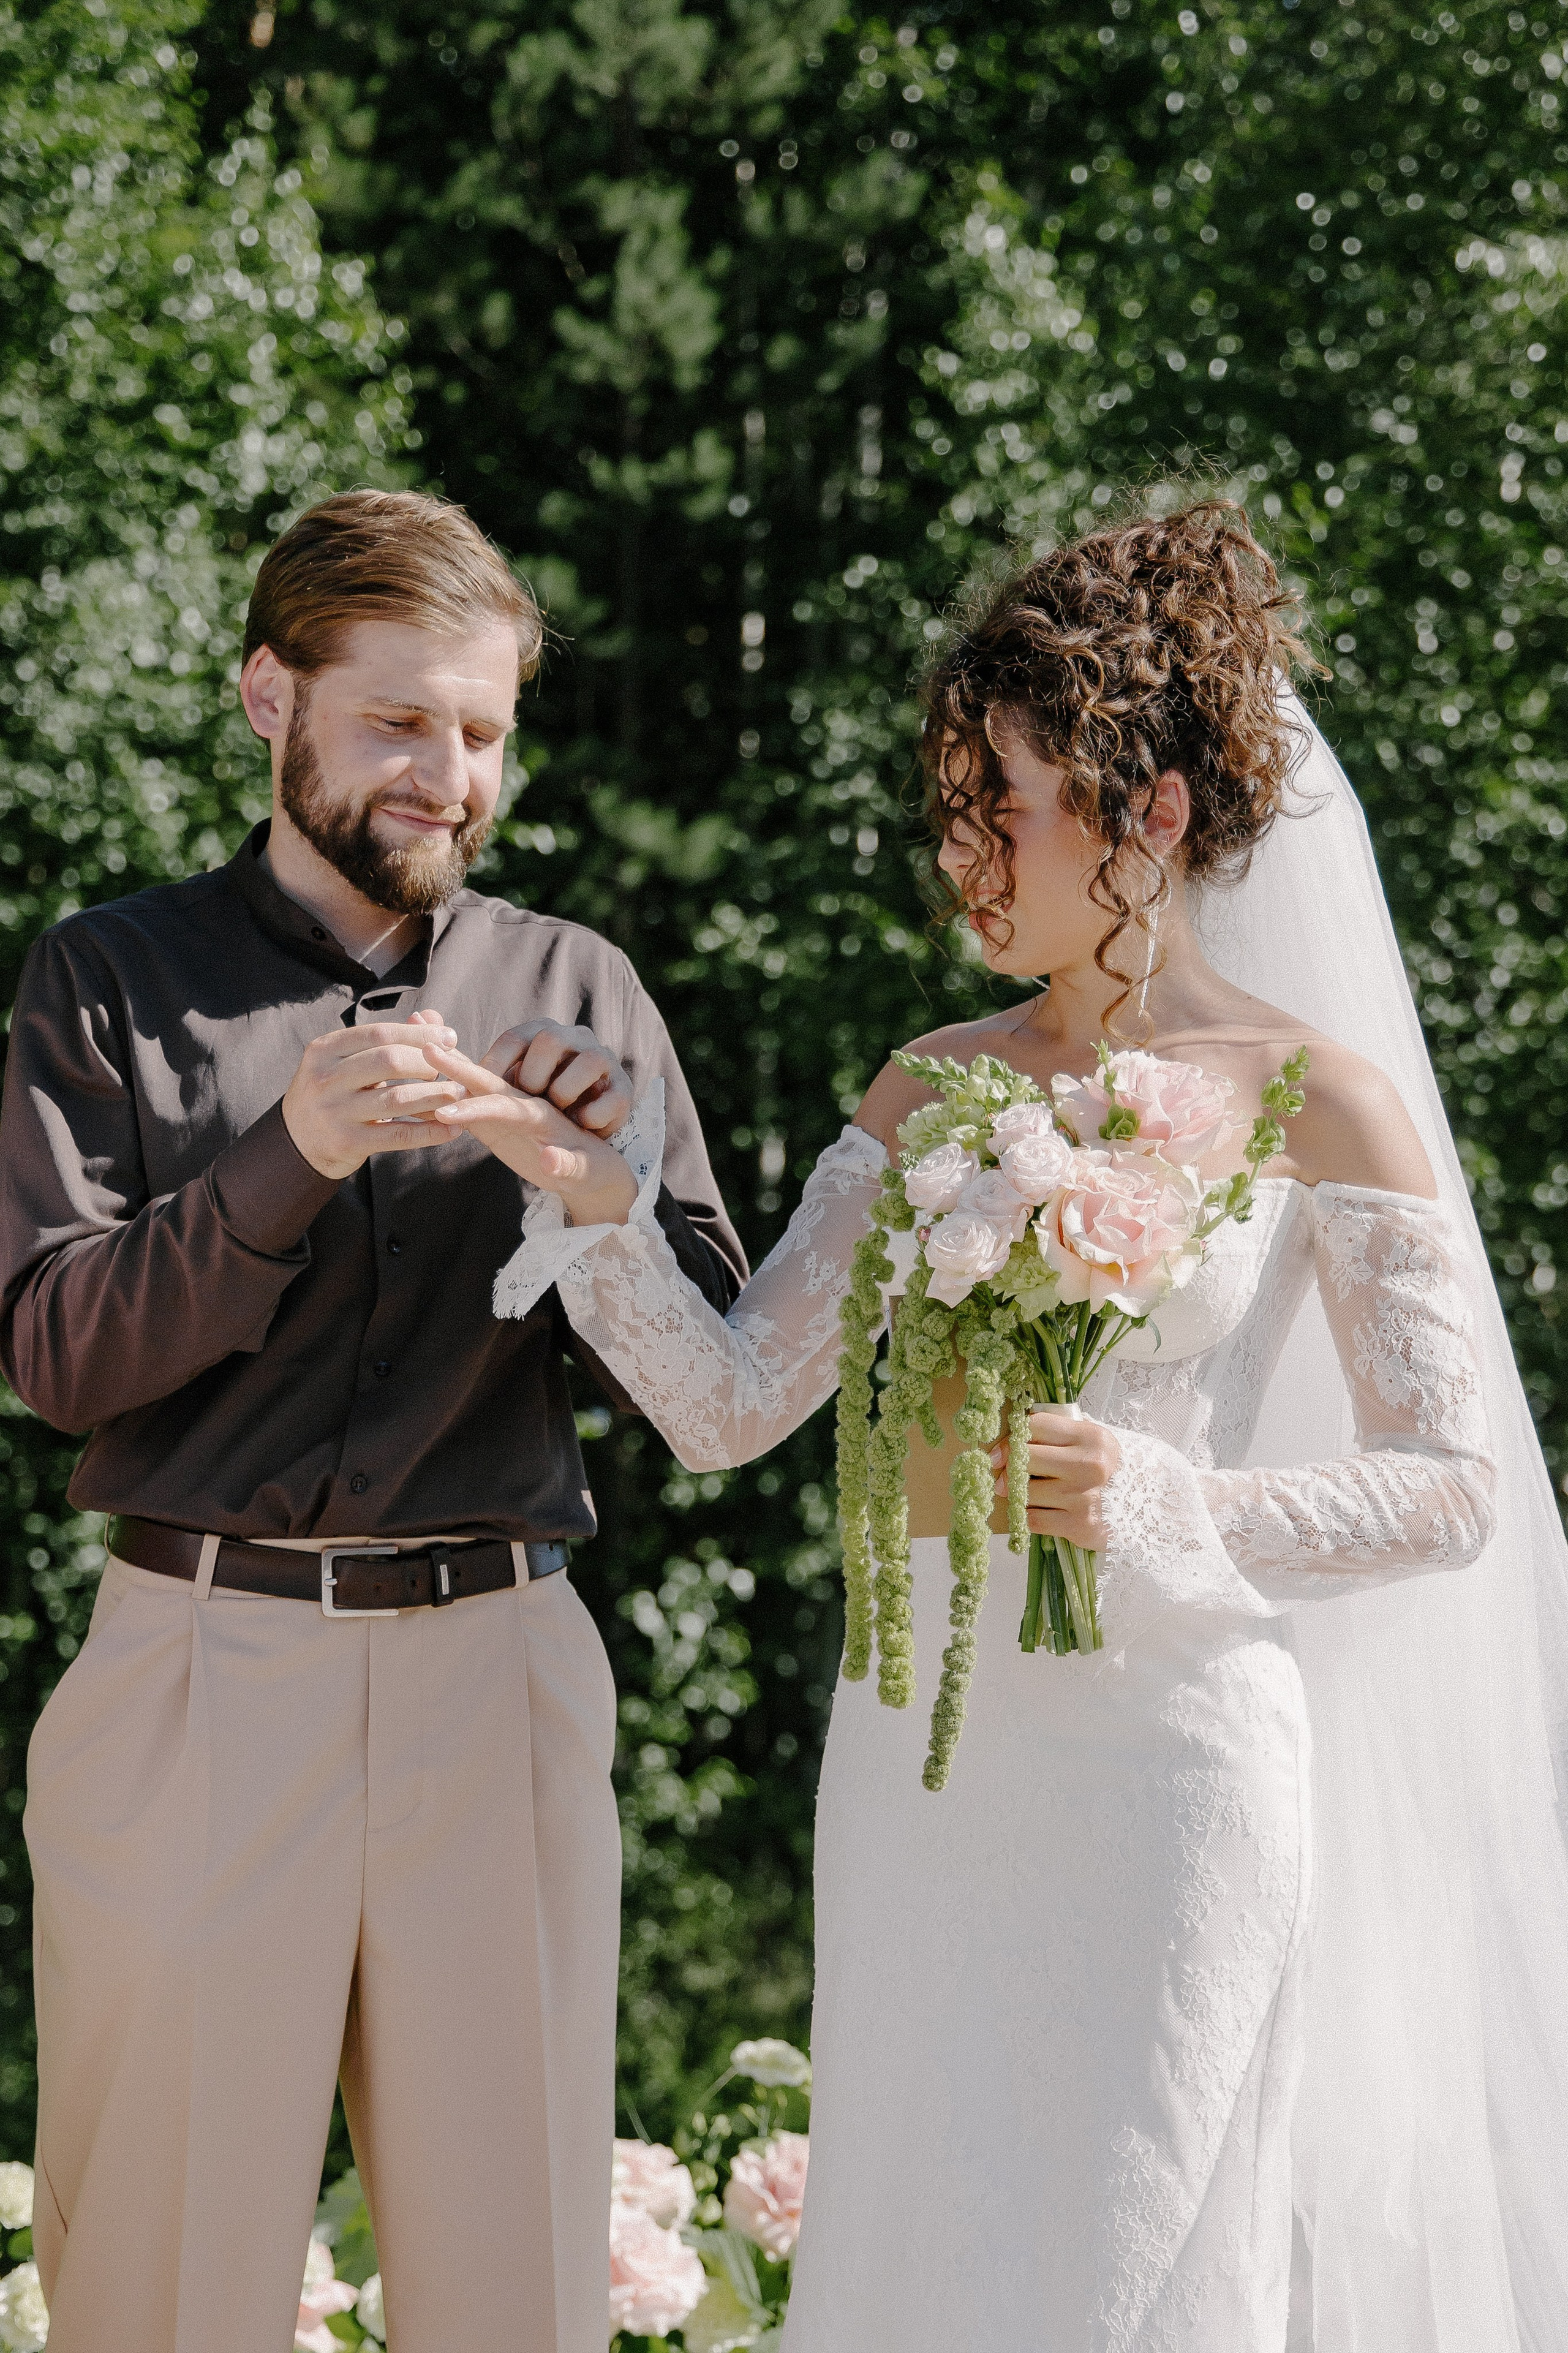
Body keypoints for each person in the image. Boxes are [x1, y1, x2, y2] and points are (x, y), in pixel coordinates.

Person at [424, 500, 1568, 2349]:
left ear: (1157, 815)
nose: (964, 851)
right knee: (923, 2255)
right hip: (926, 1757)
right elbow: (727, 1403)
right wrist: (583, 1193)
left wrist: (1176, 1501)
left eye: (1007, 802)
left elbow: (1451, 1489)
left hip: (1178, 1762)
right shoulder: (927, 1090)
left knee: (1139, 2268)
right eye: (953, 802)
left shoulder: (1320, 1098)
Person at [0, 488, 745, 2353]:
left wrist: (597, 1191)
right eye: (402, 719)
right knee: (159, 2292)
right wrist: (295, 1151)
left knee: (512, 2293)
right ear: (272, 696)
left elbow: (715, 1365)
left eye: (483, 731)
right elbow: (51, 1349)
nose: (451, 773)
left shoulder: (583, 992)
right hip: (194, 1671)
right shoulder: (107, 979)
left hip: (496, 1679)